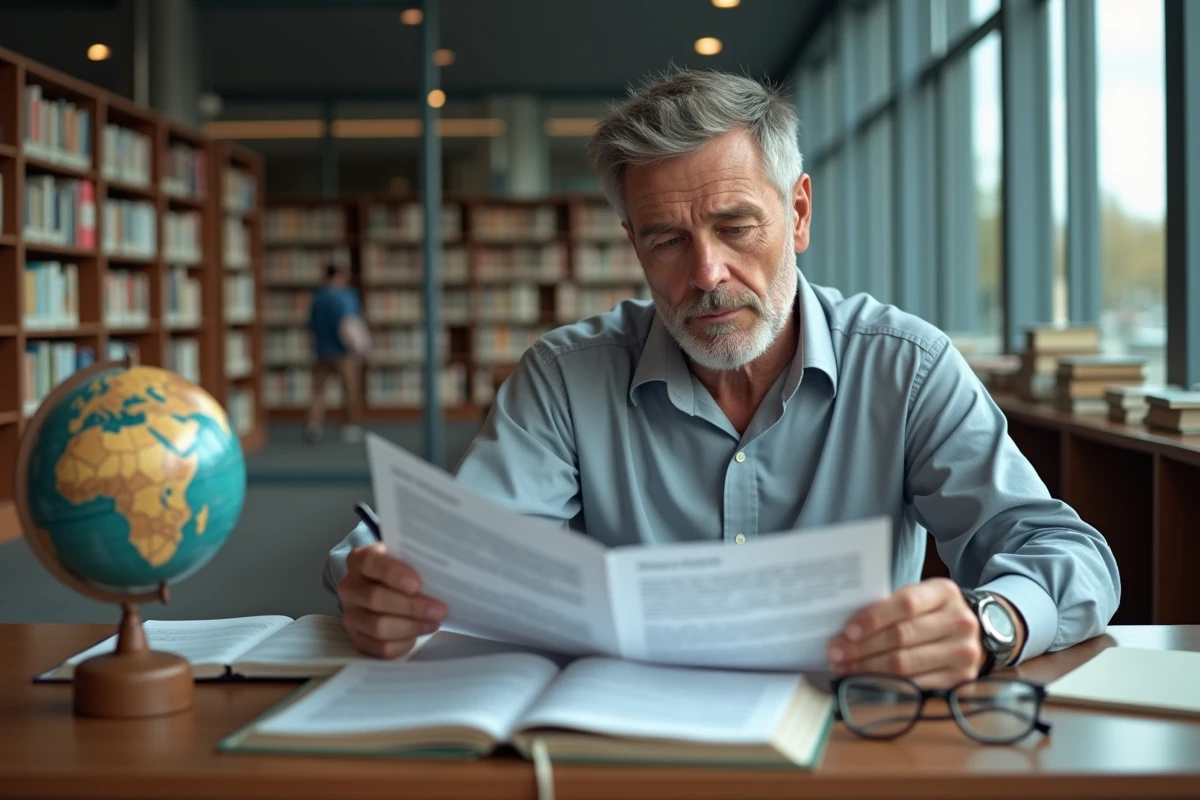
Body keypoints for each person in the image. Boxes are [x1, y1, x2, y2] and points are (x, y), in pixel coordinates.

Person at [323, 70, 1120, 687]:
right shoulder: (566, 379)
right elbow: (457, 548)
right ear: (634, 244)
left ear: (798, 214)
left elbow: (1063, 551)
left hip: (854, 741)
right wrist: (376, 577)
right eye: (667, 240)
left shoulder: (904, 366)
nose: (707, 273)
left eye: (736, 227)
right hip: (627, 747)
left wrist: (992, 622)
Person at [307, 262, 365, 444]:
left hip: (322, 350)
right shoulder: (345, 296)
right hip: (344, 352)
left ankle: (314, 425)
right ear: (339, 276)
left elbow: (311, 325)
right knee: (350, 390)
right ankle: (350, 425)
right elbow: (350, 324)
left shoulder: (318, 297)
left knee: (318, 391)